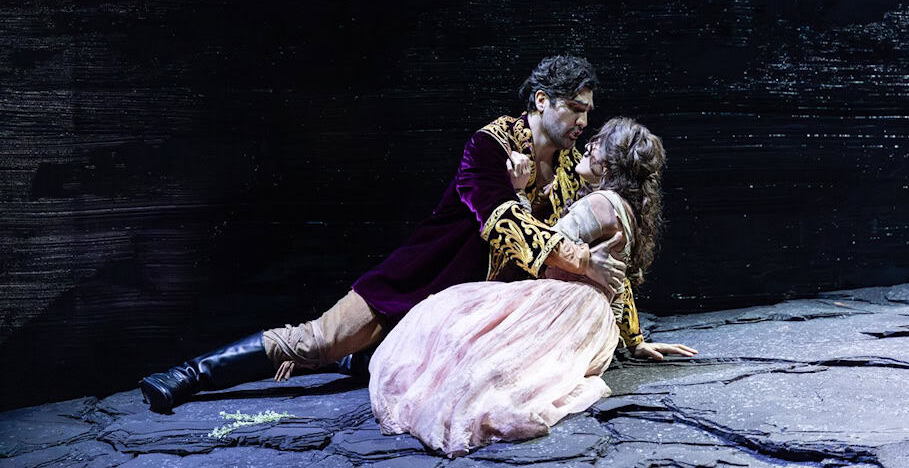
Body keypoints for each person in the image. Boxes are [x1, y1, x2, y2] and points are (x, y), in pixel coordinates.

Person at [139, 55, 629, 413]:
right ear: (541, 102)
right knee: (319, 341)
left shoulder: (569, 168)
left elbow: (588, 238)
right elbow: (502, 223)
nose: (584, 122)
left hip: (466, 310)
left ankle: (356, 362)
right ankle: (188, 374)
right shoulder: (490, 145)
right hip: (421, 278)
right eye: (575, 108)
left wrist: (631, 331)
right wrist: (576, 255)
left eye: (588, 112)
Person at [368, 118, 698, 456]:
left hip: (565, 308)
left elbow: (547, 249)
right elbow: (620, 282)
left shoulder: (598, 204)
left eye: (597, 143)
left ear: (612, 162)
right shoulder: (625, 208)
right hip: (593, 322)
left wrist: (520, 191)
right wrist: (635, 341)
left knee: (457, 327)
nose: (588, 145)